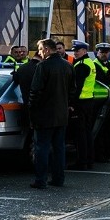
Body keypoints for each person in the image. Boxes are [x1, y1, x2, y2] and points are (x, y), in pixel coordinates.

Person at [28, 38, 75, 189]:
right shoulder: (68, 66)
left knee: (41, 147)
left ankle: (40, 179)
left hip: (44, 115)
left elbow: (35, 91)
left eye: (41, 50)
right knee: (59, 148)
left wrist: (32, 109)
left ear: (47, 49)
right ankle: (58, 179)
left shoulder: (43, 66)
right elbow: (73, 90)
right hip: (61, 115)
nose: (40, 53)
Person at [70, 41, 96, 169]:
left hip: (80, 103)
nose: (75, 53)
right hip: (89, 100)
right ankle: (89, 160)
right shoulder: (89, 62)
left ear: (84, 52)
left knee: (80, 134)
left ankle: (82, 162)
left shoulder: (81, 65)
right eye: (74, 51)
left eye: (77, 51)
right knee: (87, 132)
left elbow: (77, 87)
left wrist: (72, 103)